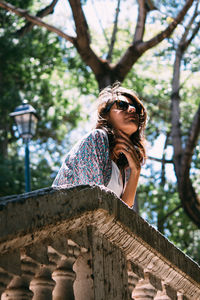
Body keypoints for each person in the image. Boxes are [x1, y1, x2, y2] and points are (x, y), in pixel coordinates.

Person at [52, 82, 147, 208]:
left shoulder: (122, 165)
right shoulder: (97, 138)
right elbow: (95, 201)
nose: (132, 109)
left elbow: (123, 211)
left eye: (137, 108)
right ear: (106, 115)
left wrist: (136, 170)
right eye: (122, 105)